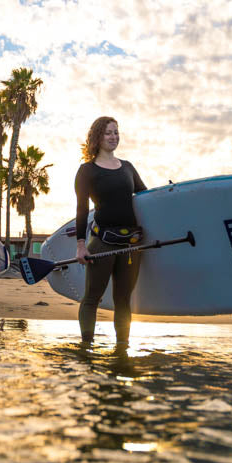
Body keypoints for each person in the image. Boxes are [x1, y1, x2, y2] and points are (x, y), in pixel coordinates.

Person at [75, 117, 147, 344]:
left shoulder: (127, 167)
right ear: (97, 137)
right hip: (102, 242)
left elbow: (145, 198)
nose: (114, 137)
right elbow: (82, 208)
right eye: (108, 133)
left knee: (124, 299)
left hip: (131, 244)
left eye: (116, 132)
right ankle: (86, 348)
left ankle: (122, 349)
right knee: (92, 298)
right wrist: (80, 246)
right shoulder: (87, 170)